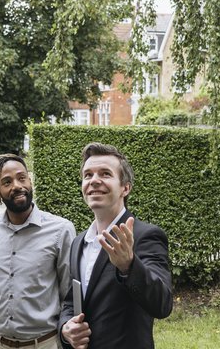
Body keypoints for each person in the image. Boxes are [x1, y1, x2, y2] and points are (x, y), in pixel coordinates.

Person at [59, 143, 173, 349]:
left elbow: (162, 304)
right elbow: (71, 301)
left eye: (105, 174)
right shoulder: (79, 242)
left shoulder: (145, 236)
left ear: (125, 188)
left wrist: (129, 266)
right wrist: (65, 329)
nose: (94, 180)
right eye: (87, 175)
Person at [0, 154, 76, 349]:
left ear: (29, 181)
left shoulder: (61, 230)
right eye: (7, 182)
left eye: (22, 178)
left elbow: (68, 295)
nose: (17, 186)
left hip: (45, 344)